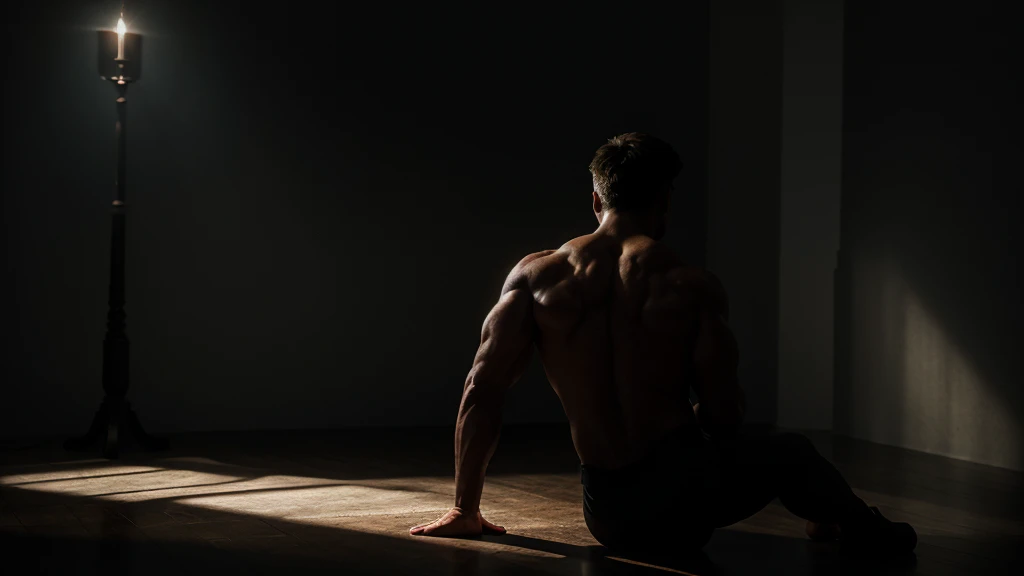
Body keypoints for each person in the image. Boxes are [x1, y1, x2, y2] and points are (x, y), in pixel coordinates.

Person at [409, 133, 917, 558]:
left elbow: (483, 388)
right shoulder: (687, 284)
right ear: (664, 199)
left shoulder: (534, 277)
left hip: (607, 514)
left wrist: (465, 508)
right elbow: (725, 417)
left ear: (596, 199)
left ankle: (824, 514)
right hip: (685, 503)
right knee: (792, 451)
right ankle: (856, 523)